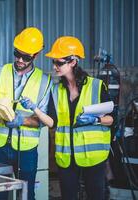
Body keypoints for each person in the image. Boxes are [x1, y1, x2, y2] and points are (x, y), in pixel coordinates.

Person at [0, 27, 53, 200]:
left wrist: (21, 120)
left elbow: (43, 120)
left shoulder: (45, 81)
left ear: (35, 55)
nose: (20, 59)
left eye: (26, 57)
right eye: (17, 54)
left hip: (26, 149)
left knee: (27, 195)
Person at [45, 36, 113, 200]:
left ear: (73, 62)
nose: (55, 67)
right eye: (54, 62)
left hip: (93, 156)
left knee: (96, 196)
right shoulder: (56, 90)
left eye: (59, 63)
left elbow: (111, 119)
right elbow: (52, 121)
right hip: (66, 157)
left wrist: (95, 120)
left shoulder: (96, 86)